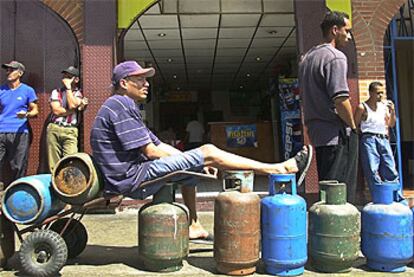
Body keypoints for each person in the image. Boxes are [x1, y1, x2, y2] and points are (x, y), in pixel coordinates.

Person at [90, 60, 312, 241]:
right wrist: (202, 159)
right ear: (124, 83)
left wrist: (194, 163)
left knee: (194, 167)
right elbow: (151, 152)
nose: (146, 83)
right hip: (132, 178)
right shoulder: (120, 104)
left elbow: (159, 145)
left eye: (146, 79)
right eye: (140, 79)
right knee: (208, 150)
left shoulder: (123, 105)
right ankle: (279, 168)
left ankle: (194, 225)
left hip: (133, 173)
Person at [299, 11, 358, 203]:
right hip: (336, 133)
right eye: (346, 31)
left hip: (318, 133)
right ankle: (341, 232)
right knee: (340, 195)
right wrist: (354, 127)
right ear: (335, 30)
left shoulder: (307, 58)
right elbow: (340, 99)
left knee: (327, 189)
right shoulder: (336, 57)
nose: (349, 37)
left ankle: (326, 230)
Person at [354, 82, 401, 198]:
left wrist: (392, 110)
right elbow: (354, 125)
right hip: (369, 138)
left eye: (382, 93)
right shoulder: (362, 107)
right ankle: (379, 196)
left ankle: (395, 196)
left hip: (383, 138)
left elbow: (391, 124)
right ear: (371, 93)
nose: (380, 96)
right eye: (378, 93)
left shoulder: (384, 107)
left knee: (390, 166)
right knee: (372, 168)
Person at [0, 61, 38, 184]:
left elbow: (35, 111)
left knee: (18, 165)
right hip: (1, 131)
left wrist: (26, 115)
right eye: (7, 70)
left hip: (20, 132)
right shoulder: (1, 90)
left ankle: (16, 195)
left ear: (20, 73)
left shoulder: (28, 90)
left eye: (12, 70)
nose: (8, 72)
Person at [47, 66, 88, 173]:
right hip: (54, 128)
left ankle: (68, 184)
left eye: (69, 77)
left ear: (76, 80)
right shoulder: (56, 92)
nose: (65, 79)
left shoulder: (78, 94)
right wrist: (73, 110)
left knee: (71, 159)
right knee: (53, 161)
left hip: (70, 130)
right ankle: (55, 182)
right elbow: (56, 111)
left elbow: (73, 104)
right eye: (64, 76)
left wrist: (69, 88)